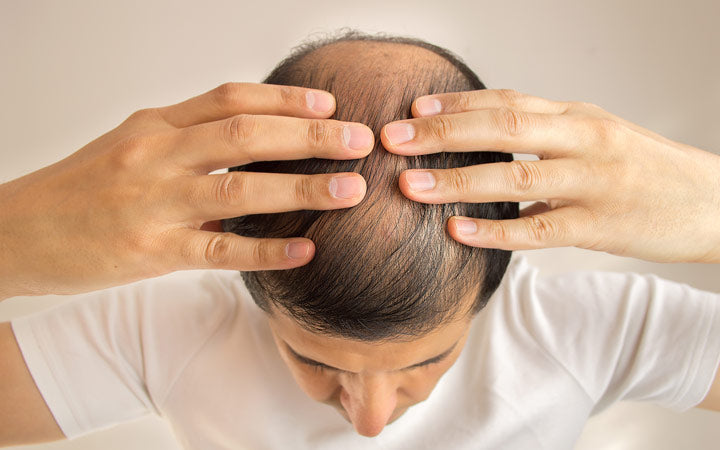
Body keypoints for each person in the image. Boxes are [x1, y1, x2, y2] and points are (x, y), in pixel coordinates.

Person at [1, 31, 719, 449]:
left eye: (430, 359)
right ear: (250, 288)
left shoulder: (585, 330)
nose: (370, 421)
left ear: (492, 289)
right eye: (311, 359)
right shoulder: (169, 334)